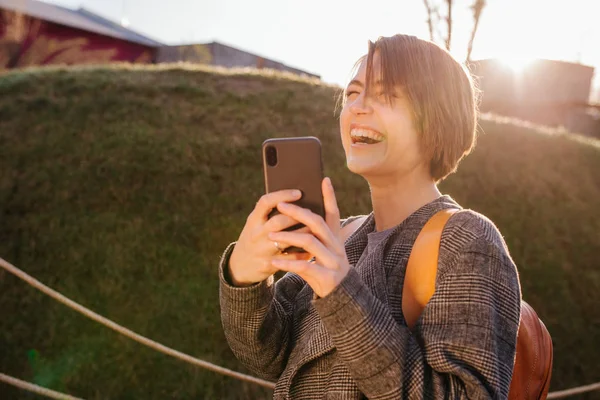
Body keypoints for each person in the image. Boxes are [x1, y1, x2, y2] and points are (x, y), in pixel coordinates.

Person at [218, 34, 521, 399]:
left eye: (386, 94)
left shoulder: (467, 240)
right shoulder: (344, 233)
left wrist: (340, 291)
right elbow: (267, 355)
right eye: (352, 93)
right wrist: (246, 277)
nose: (358, 108)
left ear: (437, 115)